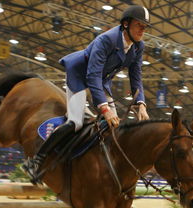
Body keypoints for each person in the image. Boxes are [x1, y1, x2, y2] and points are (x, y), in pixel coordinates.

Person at [23, 5, 150, 180]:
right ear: (126, 24)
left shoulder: (138, 47)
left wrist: (141, 104)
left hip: (101, 80)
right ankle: (36, 161)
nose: (143, 30)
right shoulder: (107, 40)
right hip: (80, 75)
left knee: (115, 126)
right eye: (139, 25)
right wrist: (104, 109)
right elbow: (92, 75)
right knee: (76, 122)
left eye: (145, 27)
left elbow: (136, 77)